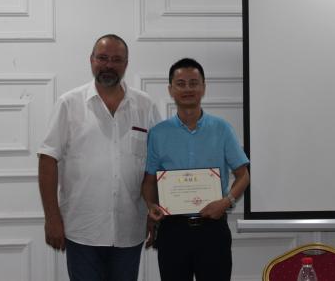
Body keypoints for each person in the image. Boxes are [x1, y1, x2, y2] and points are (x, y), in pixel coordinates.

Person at [38, 34, 161, 281]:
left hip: (130, 229)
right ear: (91, 60)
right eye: (102, 58)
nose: (108, 65)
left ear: (126, 64)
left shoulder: (145, 106)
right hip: (82, 230)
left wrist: (154, 209)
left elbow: (156, 164)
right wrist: (52, 218)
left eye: (116, 59)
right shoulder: (69, 103)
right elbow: (47, 160)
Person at [142, 57, 250, 281]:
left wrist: (226, 202)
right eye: (181, 84)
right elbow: (149, 181)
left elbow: (243, 176)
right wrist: (151, 206)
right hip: (173, 231)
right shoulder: (158, 133)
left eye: (193, 83)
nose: (187, 89)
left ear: (203, 87)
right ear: (171, 89)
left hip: (213, 229)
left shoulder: (222, 129)